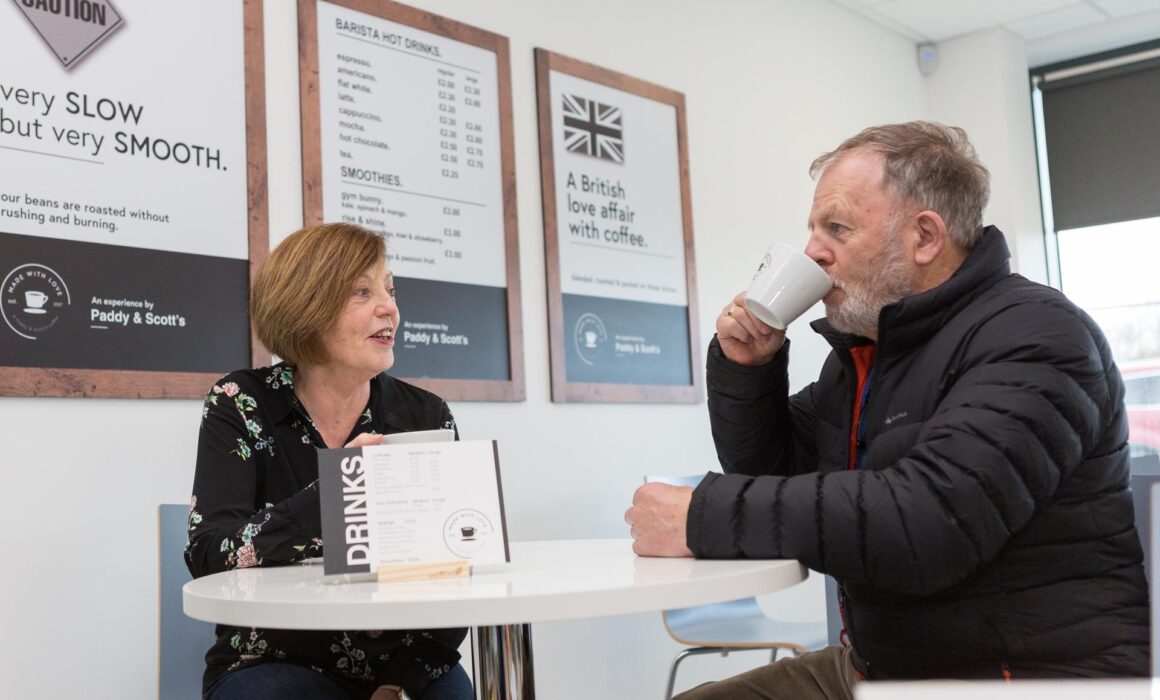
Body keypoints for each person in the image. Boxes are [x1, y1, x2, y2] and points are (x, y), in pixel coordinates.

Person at [625, 122, 1149, 698]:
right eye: (812, 229)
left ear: (925, 236)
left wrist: (699, 517)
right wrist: (749, 370)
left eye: (836, 228)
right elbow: (771, 472)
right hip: (883, 668)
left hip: (1022, 678)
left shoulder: (1039, 335)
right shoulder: (867, 355)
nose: (812, 251)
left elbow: (930, 522)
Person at [185, 223, 473, 700]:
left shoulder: (426, 414)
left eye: (390, 288)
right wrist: (337, 492)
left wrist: (398, 682)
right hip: (273, 658)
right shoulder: (240, 402)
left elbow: (452, 570)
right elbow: (209, 556)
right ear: (306, 308)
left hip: (406, 658)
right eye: (363, 291)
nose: (390, 307)